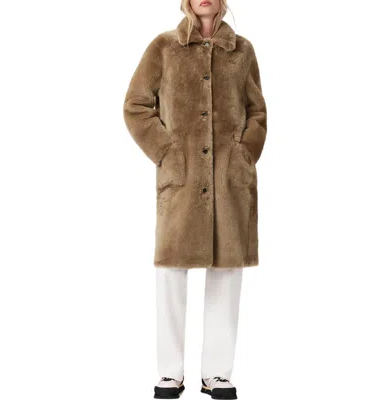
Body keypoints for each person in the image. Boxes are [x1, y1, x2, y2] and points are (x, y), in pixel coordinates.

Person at [123, 0, 267, 398]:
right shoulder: (164, 47)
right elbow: (136, 105)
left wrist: (244, 152)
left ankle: (217, 374)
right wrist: (165, 149)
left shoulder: (242, 50)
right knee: (171, 270)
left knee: (227, 270)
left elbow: (257, 111)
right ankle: (170, 373)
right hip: (182, 178)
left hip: (228, 178)